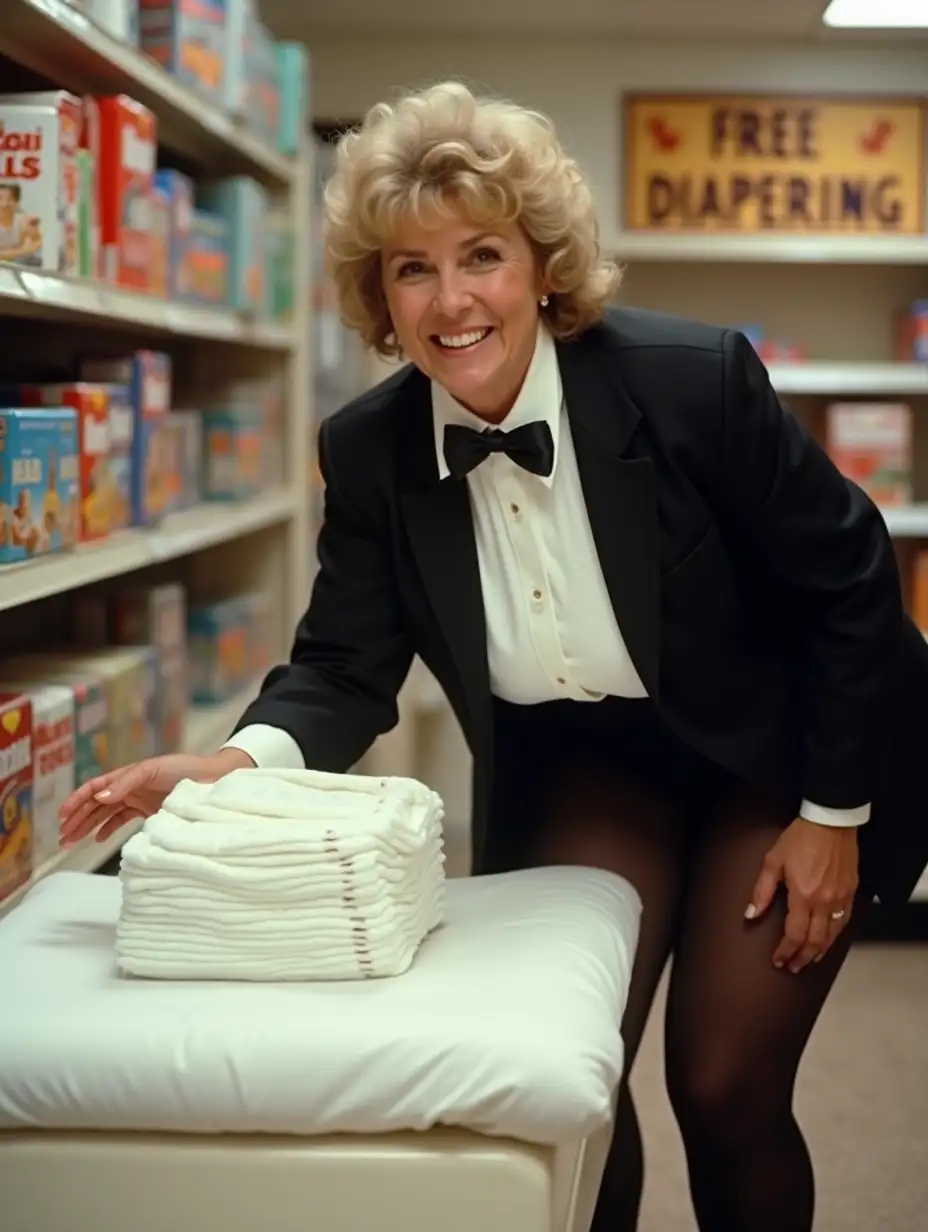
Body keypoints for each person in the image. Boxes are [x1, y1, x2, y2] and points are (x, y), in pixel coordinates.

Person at [59, 81, 928, 1232]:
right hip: (581, 761)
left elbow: (852, 581)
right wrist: (234, 763)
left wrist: (834, 810)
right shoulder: (368, 449)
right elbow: (343, 664)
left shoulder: (690, 382)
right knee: (565, 1080)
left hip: (772, 752)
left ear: (542, 267)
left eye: (482, 255)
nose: (453, 299)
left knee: (723, 1085)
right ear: (379, 294)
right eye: (413, 268)